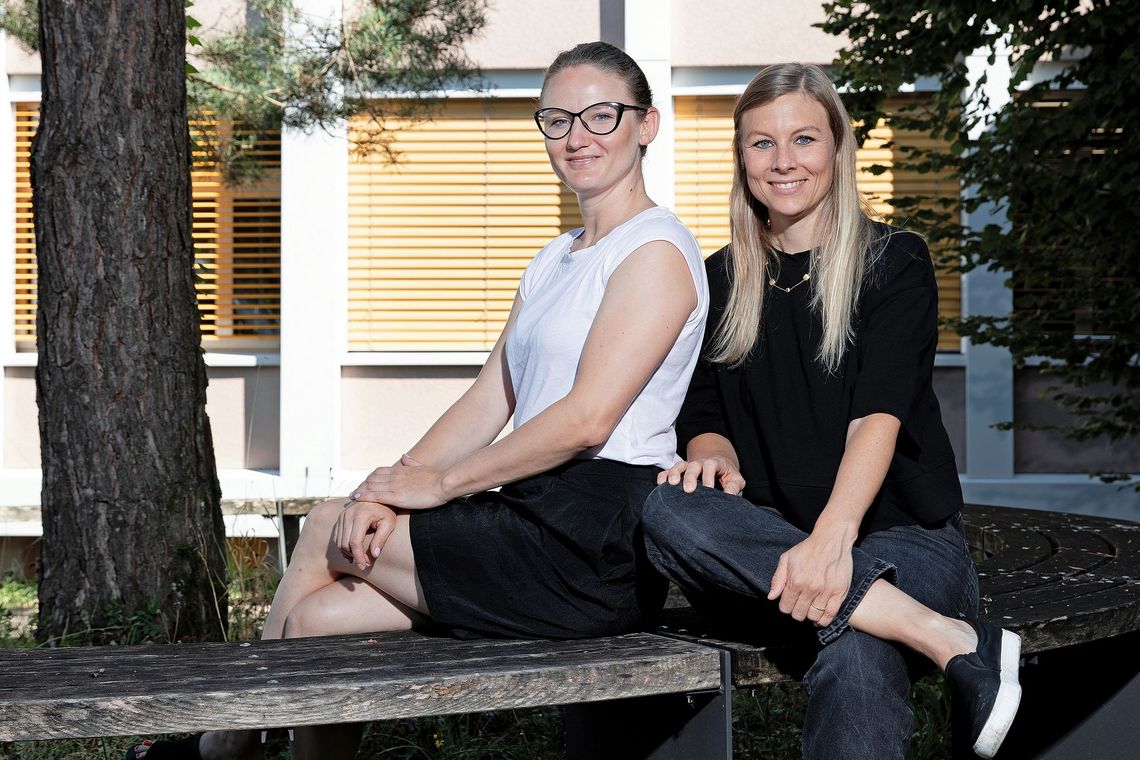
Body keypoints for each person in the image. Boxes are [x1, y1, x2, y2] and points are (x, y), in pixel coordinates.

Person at [127, 41, 708, 760]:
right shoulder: (555, 259)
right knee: (316, 621)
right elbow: (487, 399)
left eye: (600, 115)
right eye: (556, 119)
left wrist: (433, 487)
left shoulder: (655, 251)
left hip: (592, 541)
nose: (577, 136)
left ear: (646, 124)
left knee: (324, 528)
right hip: (525, 516)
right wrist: (388, 487)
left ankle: (222, 747)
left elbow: (586, 420)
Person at [641, 63, 1021, 760]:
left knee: (856, 655)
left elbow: (876, 416)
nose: (783, 162)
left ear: (838, 150)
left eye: (804, 139)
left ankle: (882, 609)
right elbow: (700, 406)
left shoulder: (894, 262)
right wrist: (713, 450)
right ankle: (950, 640)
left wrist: (832, 541)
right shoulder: (719, 279)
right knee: (665, 510)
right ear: (741, 158)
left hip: (903, 539)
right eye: (762, 144)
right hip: (774, 556)